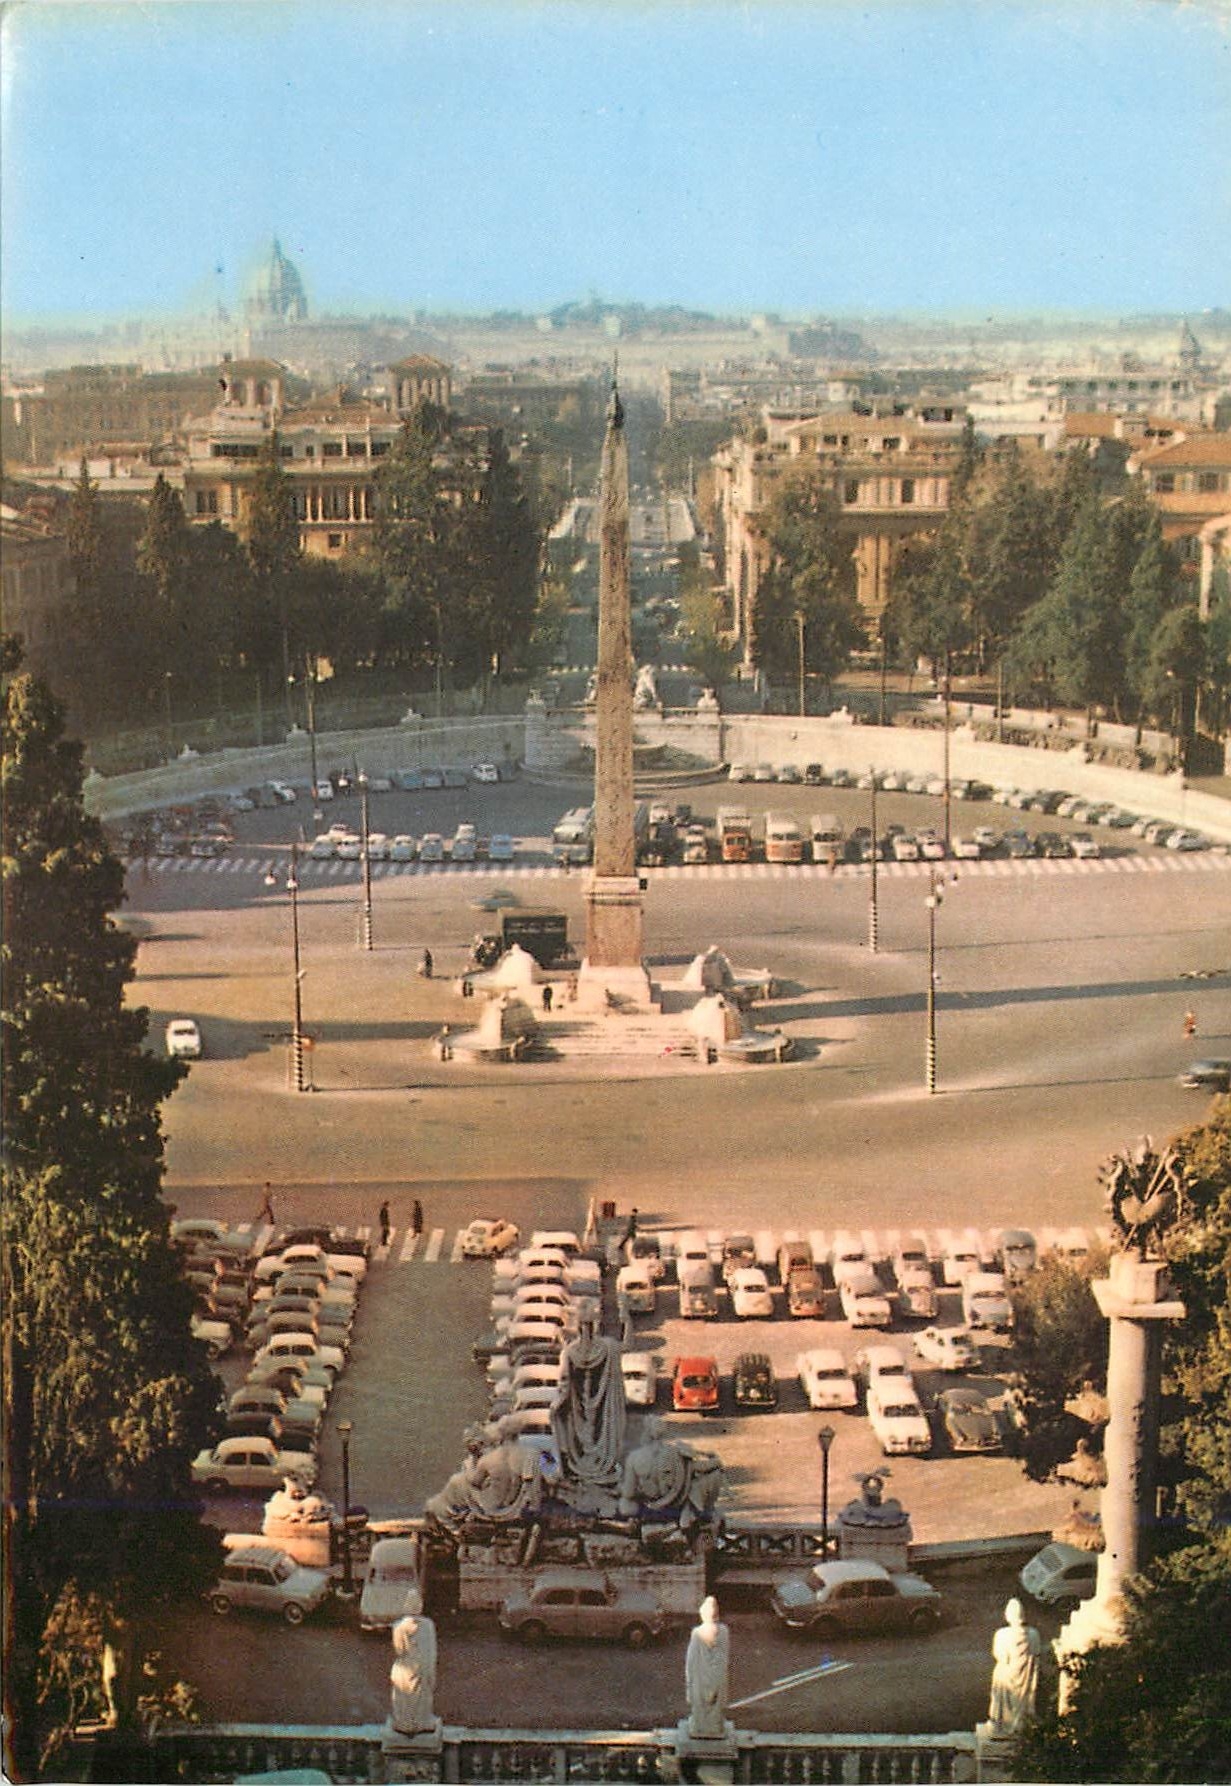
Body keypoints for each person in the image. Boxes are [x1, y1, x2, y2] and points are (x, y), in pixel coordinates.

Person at [986, 1598, 1041, 1735]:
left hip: (1006, 1676)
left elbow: (1000, 1656)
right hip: (1026, 1679)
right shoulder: (1033, 1634)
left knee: (1001, 1693)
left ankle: (1000, 1723)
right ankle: (1021, 1724)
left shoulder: (1001, 1634)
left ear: (1008, 1615)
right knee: (1023, 1702)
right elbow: (1036, 1655)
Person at [685, 1596, 730, 1740]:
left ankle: (700, 1727)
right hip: (717, 1676)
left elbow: (691, 1661)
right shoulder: (723, 1631)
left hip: (700, 1677)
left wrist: (688, 1682)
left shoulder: (697, 1633)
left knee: (700, 1709)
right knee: (715, 1711)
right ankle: (715, 1728)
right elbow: (725, 1655)